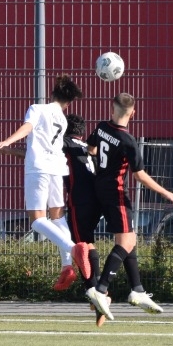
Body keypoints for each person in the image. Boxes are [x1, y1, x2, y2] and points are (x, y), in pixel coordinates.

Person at [83, 93, 173, 325]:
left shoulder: (101, 127)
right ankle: (101, 289)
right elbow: (139, 176)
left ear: (112, 108)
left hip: (99, 189)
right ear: (133, 113)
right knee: (126, 242)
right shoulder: (128, 141)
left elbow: (91, 149)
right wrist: (166, 193)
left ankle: (137, 289)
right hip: (116, 194)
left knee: (129, 239)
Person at [0, 75, 81, 289]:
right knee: (58, 218)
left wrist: (8, 140)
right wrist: (11, 150)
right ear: (68, 102)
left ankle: (74, 249)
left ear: (52, 93)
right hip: (56, 170)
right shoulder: (62, 119)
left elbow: (28, 127)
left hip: (38, 169)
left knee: (37, 220)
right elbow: (43, 146)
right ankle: (67, 266)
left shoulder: (37, 109)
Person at [62, 112, 99, 293]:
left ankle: (94, 289)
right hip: (96, 198)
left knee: (80, 245)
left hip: (79, 200)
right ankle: (98, 288)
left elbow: (39, 157)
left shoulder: (65, 144)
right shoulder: (88, 146)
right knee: (87, 241)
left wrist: (10, 151)